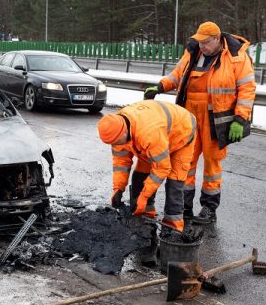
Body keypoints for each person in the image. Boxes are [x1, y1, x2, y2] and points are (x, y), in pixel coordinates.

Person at [144, 21, 256, 224]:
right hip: (189, 117)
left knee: (212, 166)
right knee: (185, 162)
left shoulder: (236, 57)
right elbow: (177, 75)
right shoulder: (193, 52)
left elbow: (247, 89)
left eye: (206, 42)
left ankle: (208, 209)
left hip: (216, 119)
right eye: (200, 42)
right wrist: (160, 86)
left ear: (217, 39)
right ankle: (184, 207)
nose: (202, 46)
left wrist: (240, 119)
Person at [97, 100, 197, 237]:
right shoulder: (116, 128)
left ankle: (173, 228)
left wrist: (144, 196)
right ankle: (145, 216)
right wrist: (118, 189)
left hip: (182, 133)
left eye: (117, 142)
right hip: (154, 140)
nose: (115, 145)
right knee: (140, 176)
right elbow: (121, 162)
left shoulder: (149, 133)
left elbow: (162, 168)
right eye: (112, 143)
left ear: (124, 131)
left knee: (175, 182)